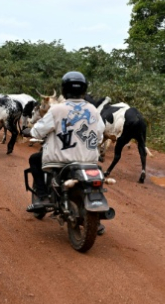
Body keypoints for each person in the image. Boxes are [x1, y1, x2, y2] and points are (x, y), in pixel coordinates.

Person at [22, 71, 106, 232]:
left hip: (61, 160)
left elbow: (39, 131)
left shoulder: (57, 109)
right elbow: (100, 133)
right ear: (84, 89)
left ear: (64, 89)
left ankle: (42, 196)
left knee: (34, 159)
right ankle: (96, 217)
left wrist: (30, 132)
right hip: (88, 161)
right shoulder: (93, 110)